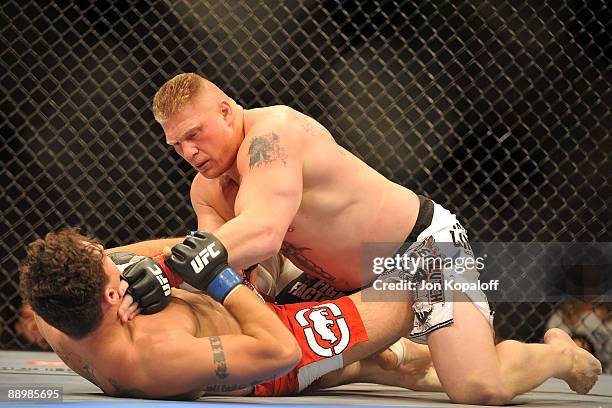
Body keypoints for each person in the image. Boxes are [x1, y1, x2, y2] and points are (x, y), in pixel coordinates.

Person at [129, 73, 601, 404]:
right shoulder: (207, 187)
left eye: (195, 134)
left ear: (226, 111)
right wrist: (167, 283)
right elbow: (220, 265)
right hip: (338, 280)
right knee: (268, 339)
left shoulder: (273, 136)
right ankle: (399, 355)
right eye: (176, 144)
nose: (189, 152)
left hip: (420, 254)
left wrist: (166, 269)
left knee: (479, 388)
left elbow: (263, 229)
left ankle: (559, 354)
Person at [20, 228, 443, 399]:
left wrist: (159, 266)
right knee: (430, 272)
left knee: (263, 223)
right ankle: (497, 294)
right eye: (114, 269)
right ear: (111, 297)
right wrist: (219, 279)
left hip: (242, 302)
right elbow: (280, 351)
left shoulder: (53, 308)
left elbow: (118, 260)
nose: (117, 258)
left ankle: (390, 359)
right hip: (275, 340)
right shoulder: (153, 356)